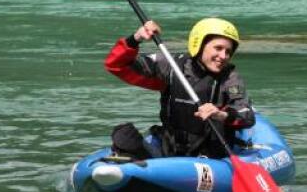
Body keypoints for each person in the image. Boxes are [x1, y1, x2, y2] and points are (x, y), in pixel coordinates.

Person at [104, 17, 255, 159]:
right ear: (200, 44)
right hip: (170, 148)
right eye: (218, 48)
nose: (223, 56)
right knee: (124, 135)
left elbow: (247, 115)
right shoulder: (171, 66)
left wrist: (221, 115)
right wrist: (136, 38)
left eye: (228, 51)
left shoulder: (229, 78)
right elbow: (116, 65)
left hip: (210, 155)